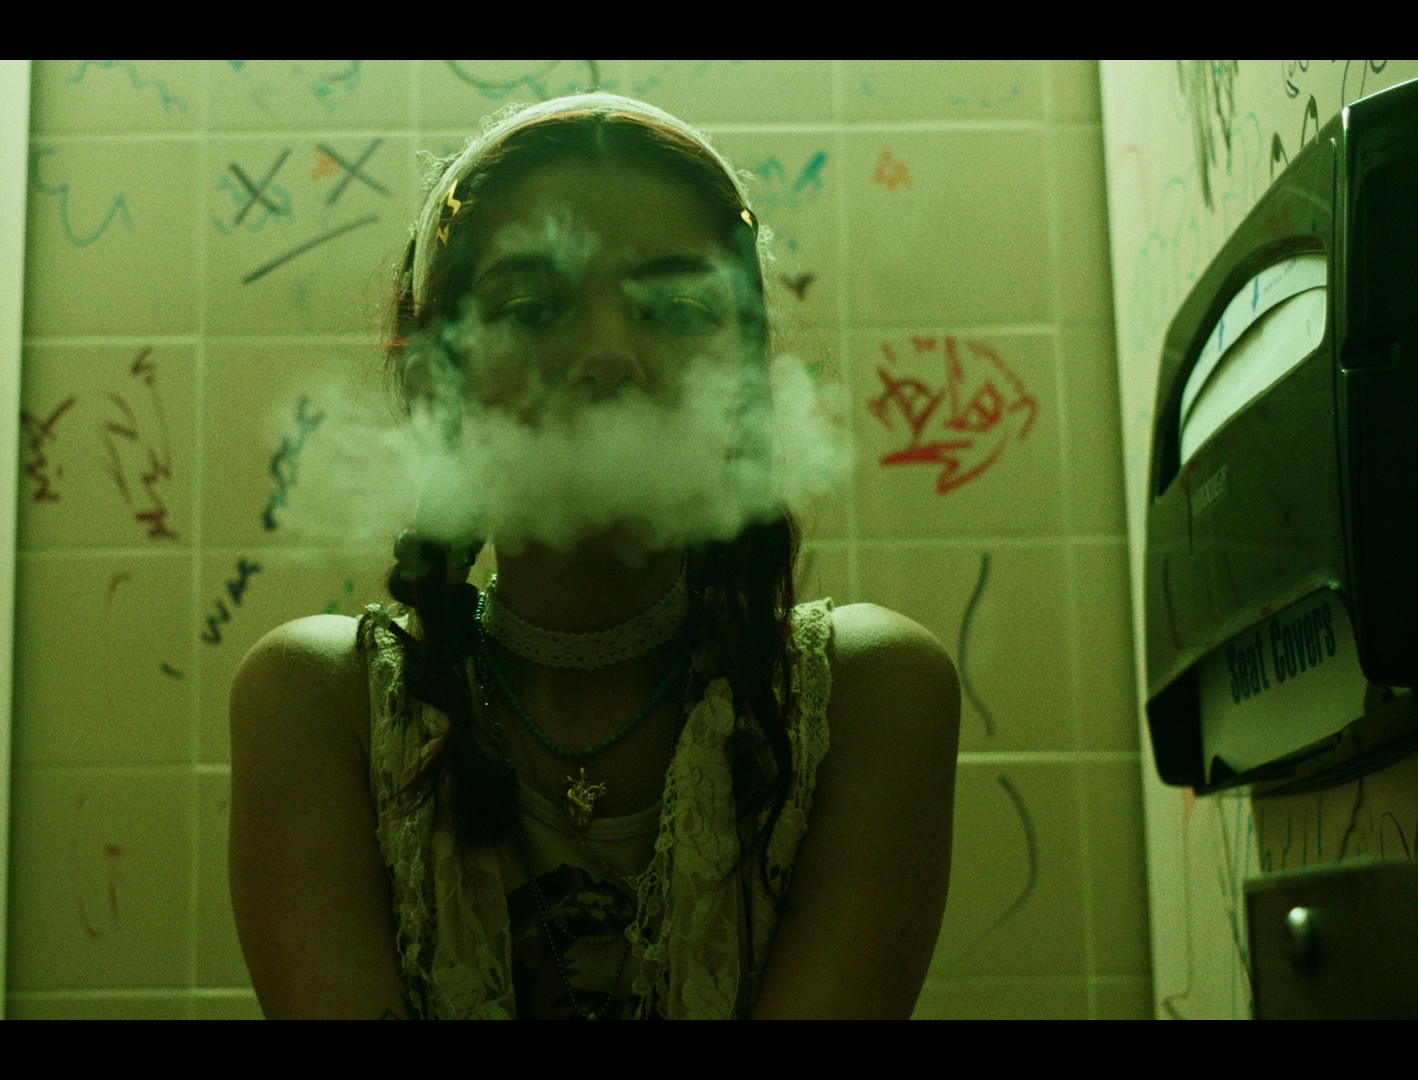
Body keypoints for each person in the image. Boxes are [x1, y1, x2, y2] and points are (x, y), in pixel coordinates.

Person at [229, 93, 960, 1019]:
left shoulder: (870, 693)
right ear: (434, 387)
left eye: (679, 307)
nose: (610, 355)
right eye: (532, 307)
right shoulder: (316, 702)